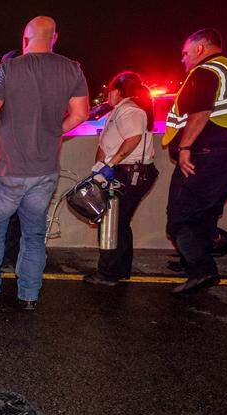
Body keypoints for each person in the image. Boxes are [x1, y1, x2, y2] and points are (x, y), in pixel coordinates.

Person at [0, 17, 89, 310]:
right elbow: (80, 114)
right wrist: (54, 131)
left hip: (8, 170)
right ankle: (29, 295)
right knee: (34, 235)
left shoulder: (7, 69)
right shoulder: (71, 69)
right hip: (45, 171)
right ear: (54, 38)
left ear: (24, 39)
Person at [161, 28, 227, 294]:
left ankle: (202, 267)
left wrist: (184, 147)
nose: (183, 59)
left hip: (208, 153)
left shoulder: (206, 72)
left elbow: (201, 111)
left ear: (200, 48)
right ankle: (192, 258)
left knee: (181, 217)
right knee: (206, 211)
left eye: (185, 53)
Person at [84, 71, 159, 286]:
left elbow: (132, 139)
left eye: (110, 90)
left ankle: (108, 273)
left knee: (111, 224)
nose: (108, 95)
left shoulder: (129, 110)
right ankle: (121, 269)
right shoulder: (124, 110)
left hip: (127, 173)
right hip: (125, 172)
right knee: (120, 223)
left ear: (118, 91)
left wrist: (110, 164)